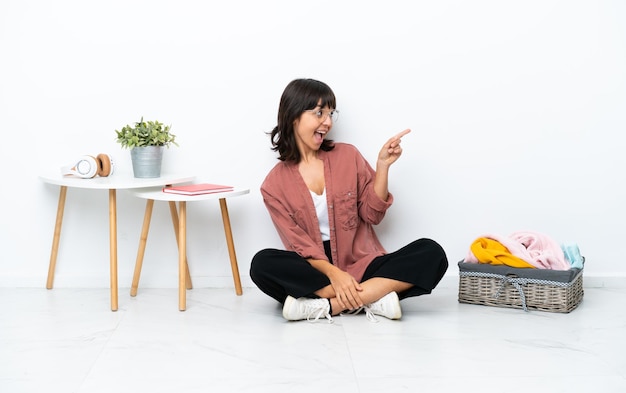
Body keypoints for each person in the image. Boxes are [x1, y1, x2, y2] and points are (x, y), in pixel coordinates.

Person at [250, 78, 448, 323]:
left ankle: (326, 306)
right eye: (319, 113)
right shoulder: (273, 186)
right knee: (262, 264)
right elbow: (299, 244)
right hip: (315, 269)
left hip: (361, 261)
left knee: (432, 252)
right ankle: (374, 297)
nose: (328, 122)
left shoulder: (348, 155)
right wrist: (335, 275)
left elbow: (372, 215)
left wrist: (383, 166)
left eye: (331, 113)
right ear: (293, 116)